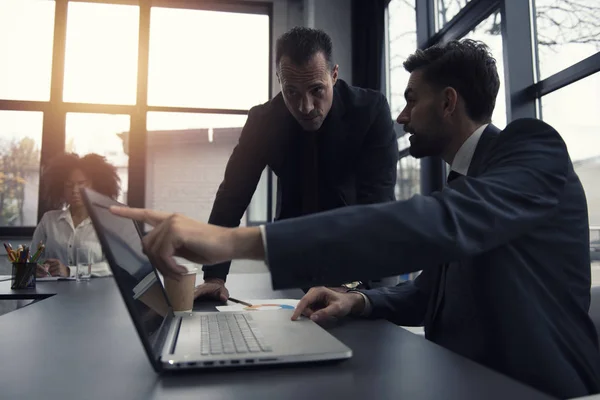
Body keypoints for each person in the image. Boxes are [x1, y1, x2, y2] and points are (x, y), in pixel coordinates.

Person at [109, 39, 600, 398]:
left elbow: (424, 221)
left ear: (448, 102)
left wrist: (231, 241)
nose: (402, 117)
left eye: (412, 99)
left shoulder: (532, 148)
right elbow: (430, 291)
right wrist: (359, 302)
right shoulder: (464, 182)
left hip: (536, 385)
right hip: (460, 377)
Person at [196, 26, 400, 301]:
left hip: (366, 254)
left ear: (334, 75)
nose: (305, 106)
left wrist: (353, 285)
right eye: (291, 92)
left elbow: (378, 203)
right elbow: (232, 197)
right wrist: (215, 276)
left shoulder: (370, 111)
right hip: (297, 252)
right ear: (279, 80)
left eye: (317, 90)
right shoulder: (263, 121)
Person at [33, 153, 120, 278]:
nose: (74, 190)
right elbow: (33, 258)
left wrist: (70, 271)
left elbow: (113, 266)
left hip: (95, 294)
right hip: (54, 293)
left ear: (95, 187)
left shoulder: (108, 223)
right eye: (69, 185)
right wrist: (37, 268)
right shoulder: (49, 220)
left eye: (81, 184)